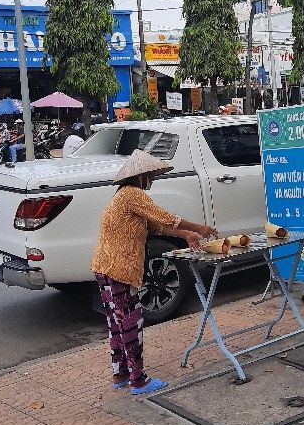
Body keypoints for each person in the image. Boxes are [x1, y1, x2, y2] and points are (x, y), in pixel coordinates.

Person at [91, 150, 218, 394]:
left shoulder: (122, 196)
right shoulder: (133, 194)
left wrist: (186, 234)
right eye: (150, 175)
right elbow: (166, 217)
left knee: (116, 323)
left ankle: (120, 374)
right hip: (119, 268)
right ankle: (138, 380)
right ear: (140, 176)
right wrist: (199, 227)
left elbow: (156, 226)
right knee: (130, 322)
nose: (152, 180)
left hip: (104, 266)